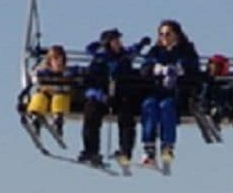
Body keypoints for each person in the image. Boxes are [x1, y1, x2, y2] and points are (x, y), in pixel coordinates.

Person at [80, 29, 147, 168]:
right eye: (116, 41)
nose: (119, 44)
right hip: (102, 96)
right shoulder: (99, 59)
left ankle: (125, 150)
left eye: (119, 41)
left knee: (126, 116)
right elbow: (90, 83)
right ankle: (91, 150)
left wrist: (141, 44)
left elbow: (133, 51)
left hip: (121, 95)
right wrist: (101, 96)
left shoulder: (124, 56)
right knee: (91, 113)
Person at [139, 19, 199, 169]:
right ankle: (149, 148)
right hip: (156, 92)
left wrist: (178, 70)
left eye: (168, 34)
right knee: (149, 105)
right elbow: (145, 67)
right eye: (161, 34)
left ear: (176, 35)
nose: (164, 37)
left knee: (167, 107)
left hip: (176, 94)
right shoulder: (156, 51)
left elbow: (192, 67)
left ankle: (167, 146)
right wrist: (155, 69)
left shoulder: (186, 51)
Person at [25, 45, 71, 141]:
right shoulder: (43, 71)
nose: (58, 62)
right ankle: (35, 117)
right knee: (39, 98)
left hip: (60, 94)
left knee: (60, 99)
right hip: (46, 93)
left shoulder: (67, 72)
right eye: (55, 59)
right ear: (50, 61)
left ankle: (58, 120)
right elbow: (34, 76)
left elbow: (72, 82)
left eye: (60, 59)